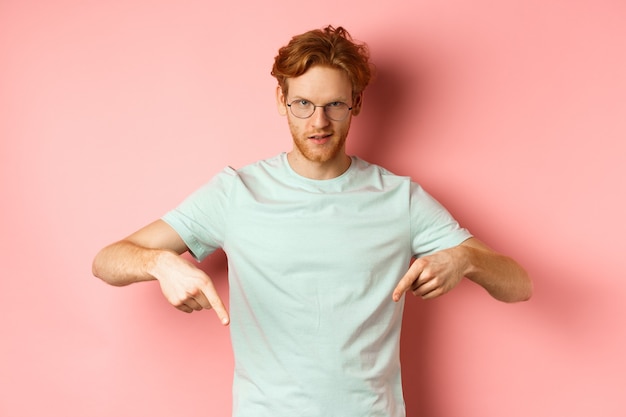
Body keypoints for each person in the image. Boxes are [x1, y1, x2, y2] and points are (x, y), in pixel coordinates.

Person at [92, 25, 532, 417]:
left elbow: (519, 284)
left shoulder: (400, 199)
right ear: (281, 101)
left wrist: (463, 260)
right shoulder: (237, 193)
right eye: (302, 103)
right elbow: (108, 261)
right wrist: (161, 264)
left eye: (334, 104)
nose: (318, 122)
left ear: (356, 103)